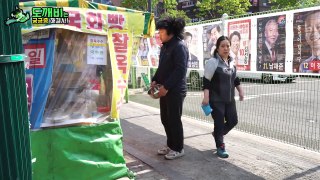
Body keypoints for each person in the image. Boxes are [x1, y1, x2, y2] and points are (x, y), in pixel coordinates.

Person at [151, 16, 189, 160]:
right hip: (164, 89)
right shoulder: (165, 46)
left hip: (175, 90)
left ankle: (178, 148)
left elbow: (180, 70)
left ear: (170, 32)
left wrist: (166, 86)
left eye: (161, 31)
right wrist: (155, 80)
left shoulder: (179, 46)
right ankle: (171, 145)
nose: (159, 34)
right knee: (165, 119)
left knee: (174, 119)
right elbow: (162, 68)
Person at [202, 36, 244, 158]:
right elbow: (206, 81)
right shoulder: (213, 62)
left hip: (230, 99)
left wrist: (240, 91)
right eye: (223, 46)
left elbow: (235, 79)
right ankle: (220, 146)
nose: (225, 48)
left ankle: (217, 134)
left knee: (233, 121)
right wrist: (206, 97)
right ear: (218, 48)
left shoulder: (231, 62)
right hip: (216, 100)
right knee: (219, 123)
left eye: (227, 46)